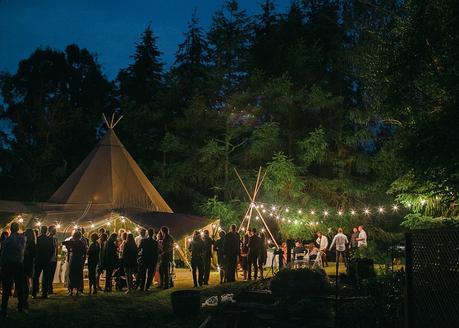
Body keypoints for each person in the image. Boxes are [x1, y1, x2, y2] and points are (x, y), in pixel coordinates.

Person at [0, 222, 27, 318]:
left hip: (8, 265)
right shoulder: (22, 239)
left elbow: (4, 254)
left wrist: (2, 264)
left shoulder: (8, 240)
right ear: (17, 228)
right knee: (20, 286)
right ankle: (21, 307)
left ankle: (4, 309)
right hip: (19, 264)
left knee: (7, 287)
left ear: (11, 229)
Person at [32, 225, 54, 299]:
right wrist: (49, 258)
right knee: (46, 277)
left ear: (41, 231)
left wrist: (35, 257)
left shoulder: (37, 239)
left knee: (36, 277)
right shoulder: (50, 240)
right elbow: (52, 250)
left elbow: (34, 249)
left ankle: (34, 293)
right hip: (46, 260)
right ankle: (44, 294)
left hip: (38, 260)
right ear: (46, 231)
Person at [62, 230, 86, 296]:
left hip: (73, 259)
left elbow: (63, 243)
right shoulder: (81, 243)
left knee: (71, 274)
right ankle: (77, 291)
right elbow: (85, 252)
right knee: (78, 275)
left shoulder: (72, 242)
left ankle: (71, 291)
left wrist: (68, 248)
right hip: (79, 260)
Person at [23, 228, 36, 303]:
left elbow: (33, 254)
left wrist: (25, 251)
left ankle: (26, 295)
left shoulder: (31, 243)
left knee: (26, 279)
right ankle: (26, 295)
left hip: (28, 262)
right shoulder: (27, 242)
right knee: (26, 279)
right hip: (26, 262)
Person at [47, 225, 58, 294]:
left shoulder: (55, 239)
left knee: (51, 275)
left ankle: (50, 289)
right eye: (54, 230)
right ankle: (48, 289)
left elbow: (56, 249)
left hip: (54, 259)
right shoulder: (48, 238)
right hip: (49, 259)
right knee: (49, 275)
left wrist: (56, 256)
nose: (55, 231)